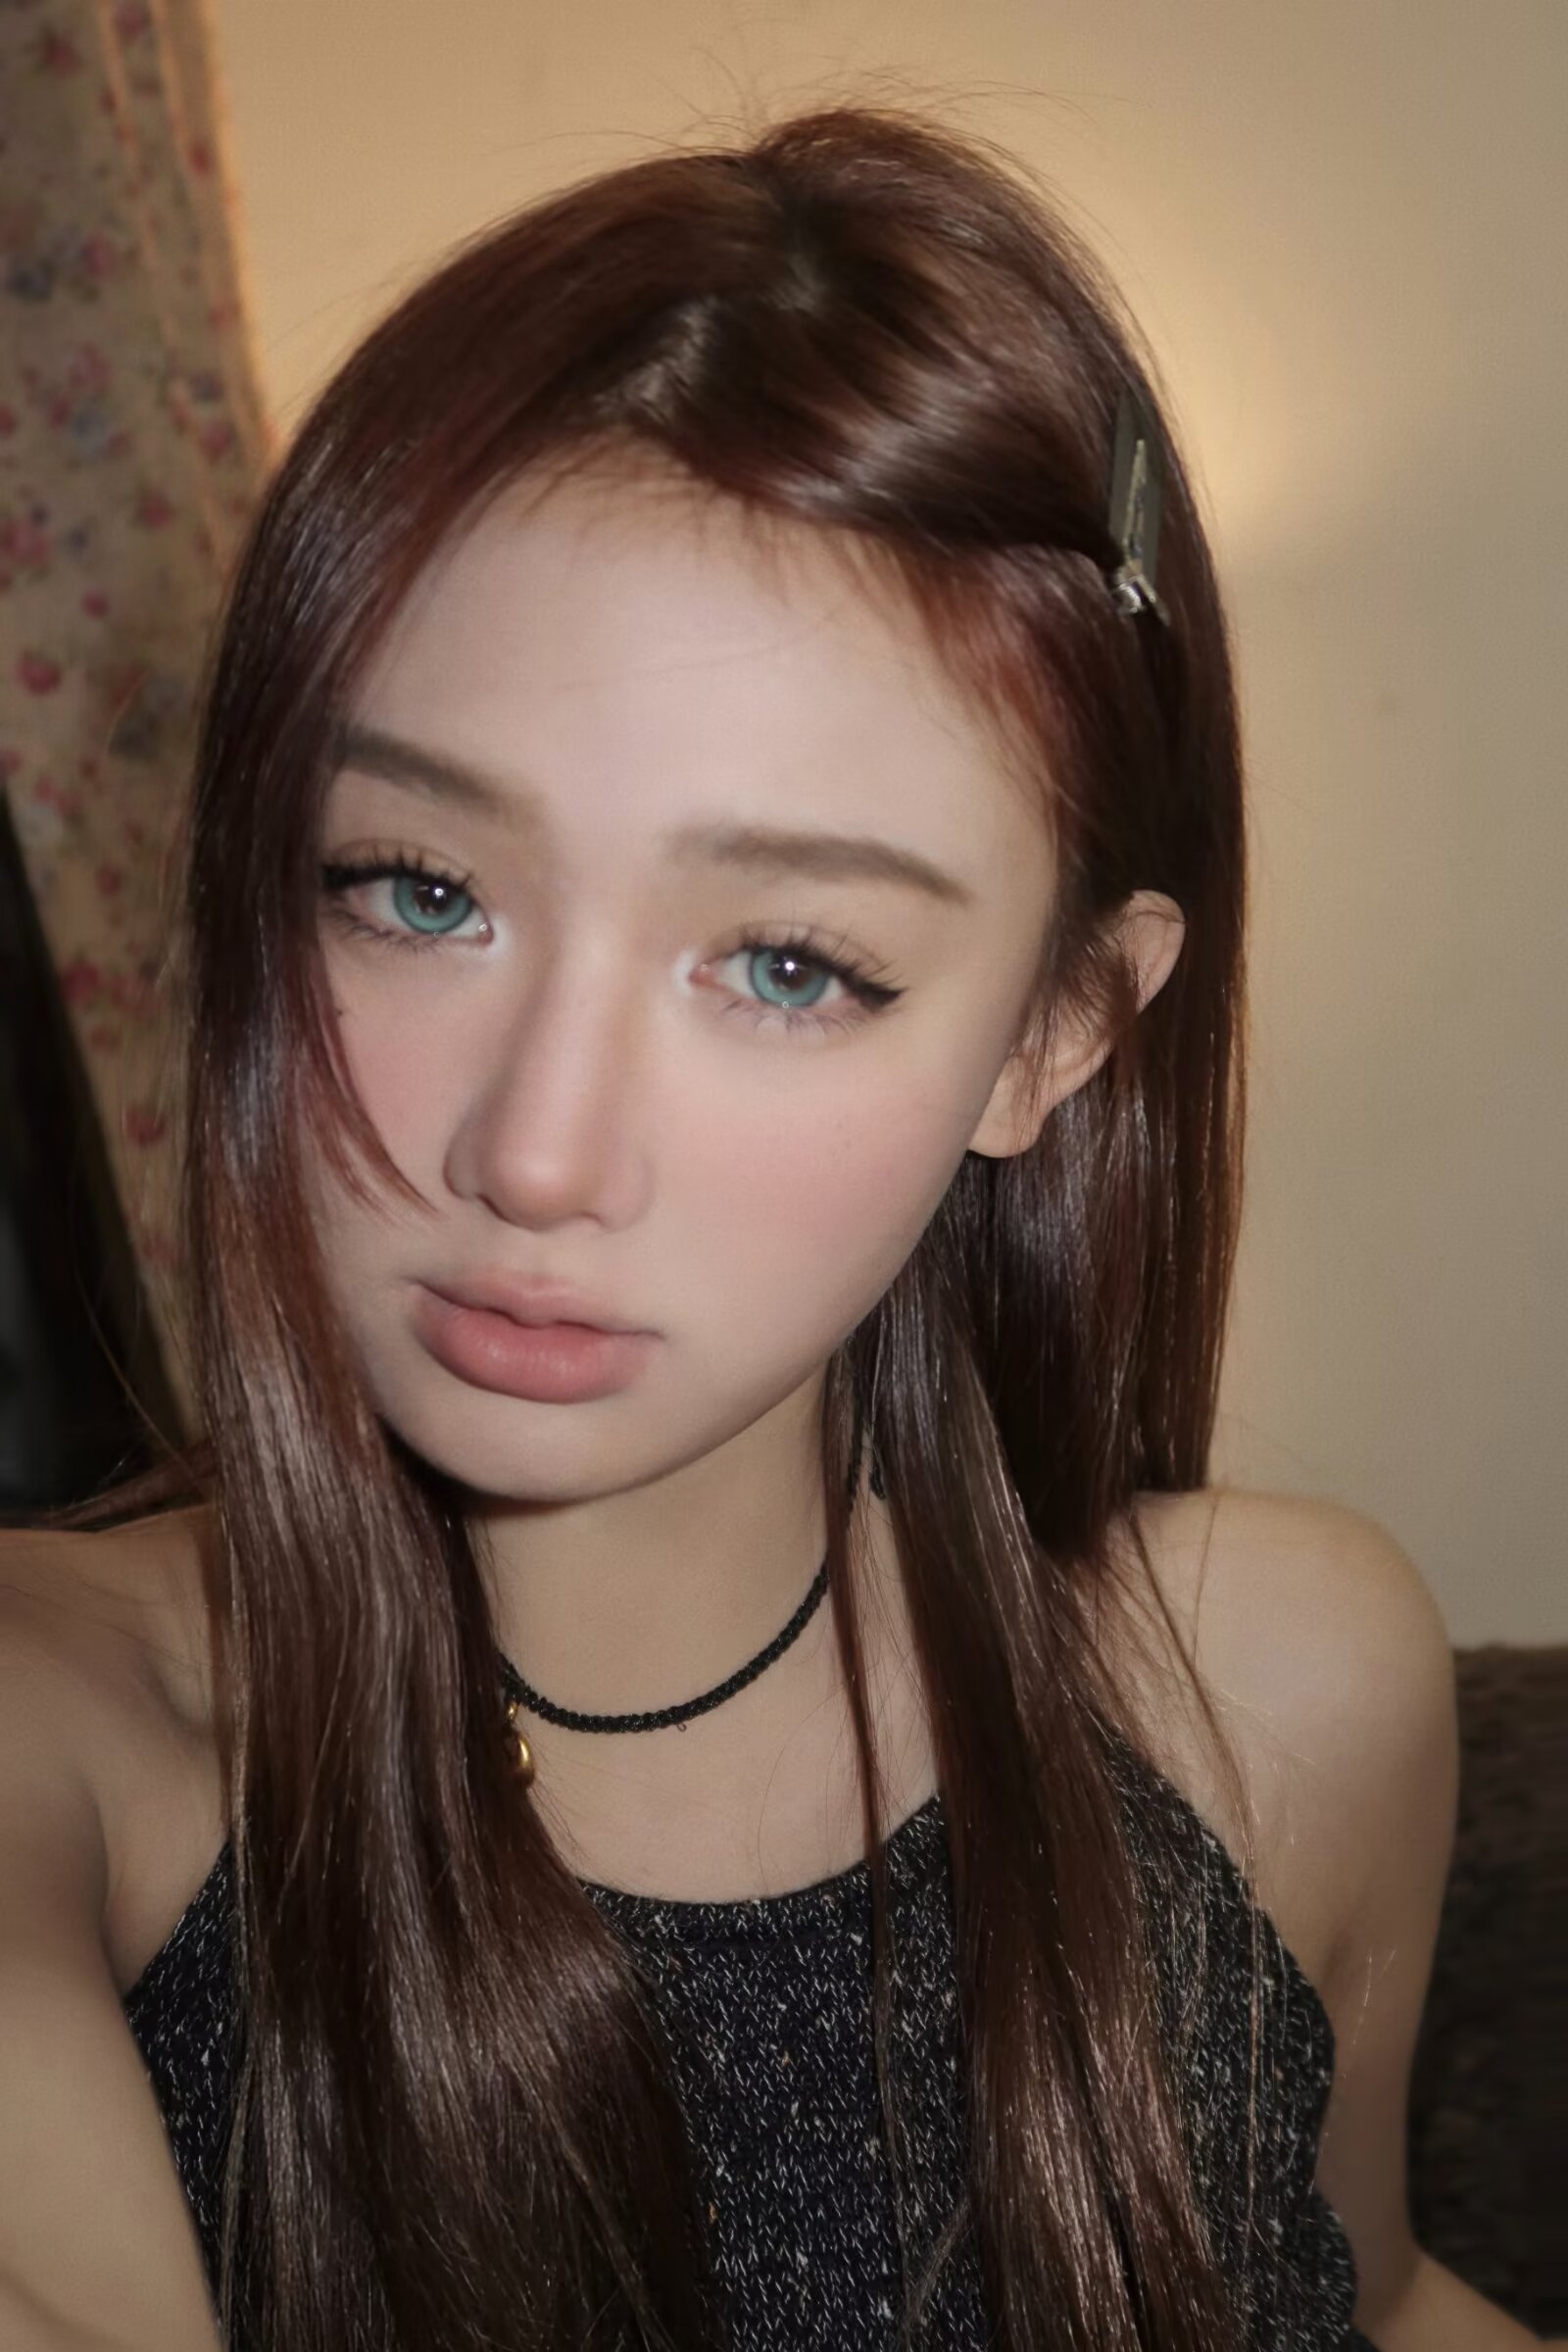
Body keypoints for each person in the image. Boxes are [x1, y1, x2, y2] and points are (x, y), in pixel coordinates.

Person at [0, 103, 1540, 2352]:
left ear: (1052, 1034)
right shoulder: (68, 1748)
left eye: (788, 963)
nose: (538, 1154)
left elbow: (1373, 2297)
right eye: (418, 891)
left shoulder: (1270, 1699)